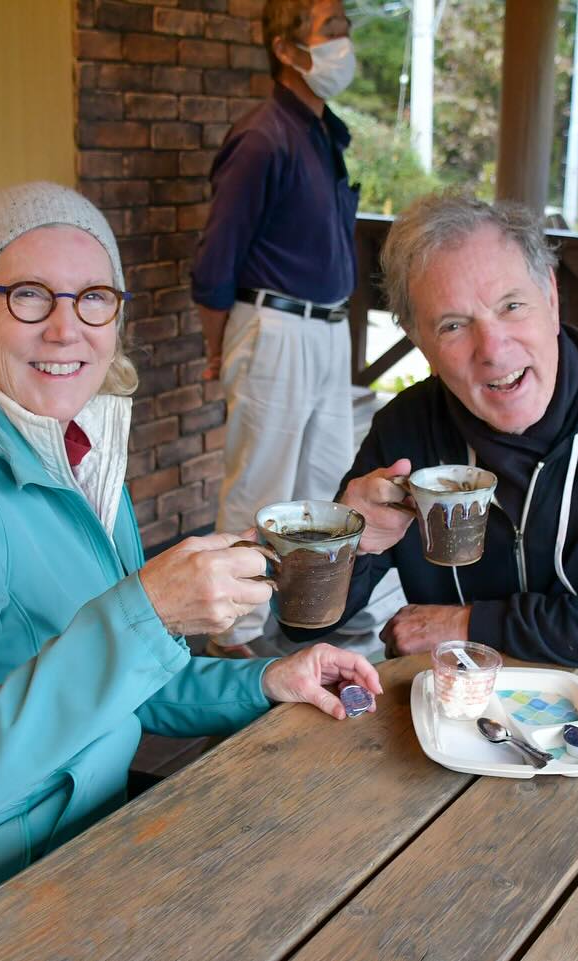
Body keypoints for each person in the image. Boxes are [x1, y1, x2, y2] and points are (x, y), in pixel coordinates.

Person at [0, 182, 381, 961]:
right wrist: (146, 613)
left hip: (82, 835)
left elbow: (131, 676)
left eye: (94, 298)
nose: (66, 326)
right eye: (28, 295)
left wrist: (268, 681)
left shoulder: (77, 450)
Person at [287, 193, 578, 672]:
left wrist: (468, 624)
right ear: (420, 343)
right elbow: (301, 622)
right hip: (458, 716)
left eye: (512, 306)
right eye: (453, 325)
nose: (493, 349)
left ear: (551, 299)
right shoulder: (407, 429)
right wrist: (349, 540)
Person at [191, 0, 387, 657]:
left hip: (328, 331)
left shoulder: (320, 131)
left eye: (344, 28)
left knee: (322, 482)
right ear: (285, 47)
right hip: (274, 325)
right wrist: (219, 349)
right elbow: (214, 262)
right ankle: (233, 632)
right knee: (260, 484)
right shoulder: (262, 136)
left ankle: (304, 613)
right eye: (330, 28)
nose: (345, 40)